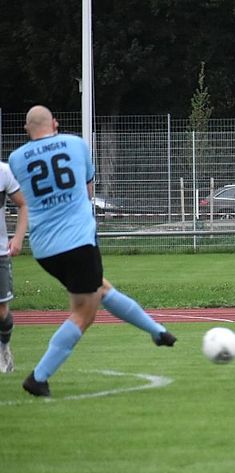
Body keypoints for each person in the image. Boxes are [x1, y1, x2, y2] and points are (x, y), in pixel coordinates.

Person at [8, 106, 176, 397]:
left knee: (100, 288)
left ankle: (157, 331)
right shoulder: (75, 144)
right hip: (78, 241)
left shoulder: (16, 158)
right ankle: (39, 377)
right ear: (55, 123)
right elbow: (88, 191)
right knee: (84, 314)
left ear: (26, 129)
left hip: (45, 249)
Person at [0, 162, 28, 374]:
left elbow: (23, 204)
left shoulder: (3, 171)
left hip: (0, 252)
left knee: (1, 311)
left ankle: (4, 346)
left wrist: (18, 238)